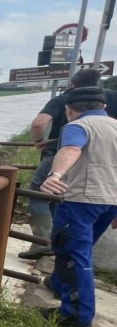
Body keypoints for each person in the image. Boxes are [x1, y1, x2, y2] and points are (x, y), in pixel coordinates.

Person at [39, 86, 117, 327]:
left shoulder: (77, 127)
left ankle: (77, 314)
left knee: (73, 253)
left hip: (82, 199)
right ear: (103, 106)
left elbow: (71, 149)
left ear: (69, 110)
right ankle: (59, 284)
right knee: (79, 248)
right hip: (110, 200)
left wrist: (56, 174)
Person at [21, 68, 117, 259]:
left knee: (40, 192)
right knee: (63, 197)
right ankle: (61, 246)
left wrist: (39, 142)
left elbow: (39, 123)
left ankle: (43, 240)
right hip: (104, 164)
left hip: (63, 154)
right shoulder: (111, 97)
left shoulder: (67, 98)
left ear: (73, 84)